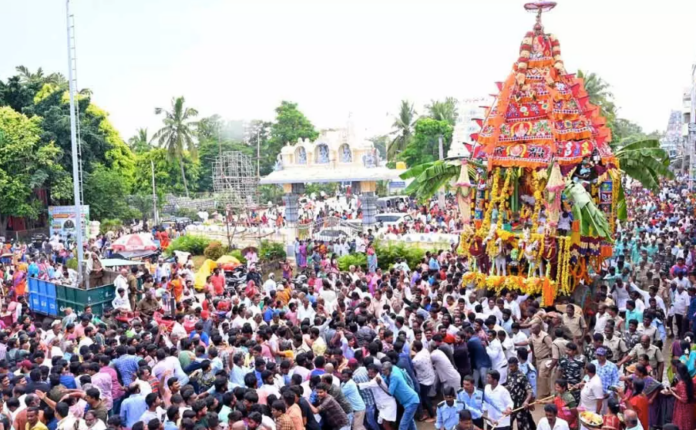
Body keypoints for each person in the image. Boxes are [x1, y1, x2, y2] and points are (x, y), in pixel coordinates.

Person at [504, 357, 535, 430]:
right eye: (509, 366)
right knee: (508, 425)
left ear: (517, 365)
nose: (510, 368)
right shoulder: (509, 374)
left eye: (512, 366)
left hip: (521, 406)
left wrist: (526, 401)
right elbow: (510, 385)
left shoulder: (522, 376)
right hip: (511, 406)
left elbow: (529, 390)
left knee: (522, 426)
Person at [665, 362, 695, 430]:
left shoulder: (681, 383)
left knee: (682, 424)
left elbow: (684, 399)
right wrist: (675, 389)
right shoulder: (688, 379)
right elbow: (684, 390)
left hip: (683, 408)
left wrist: (673, 393)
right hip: (690, 406)